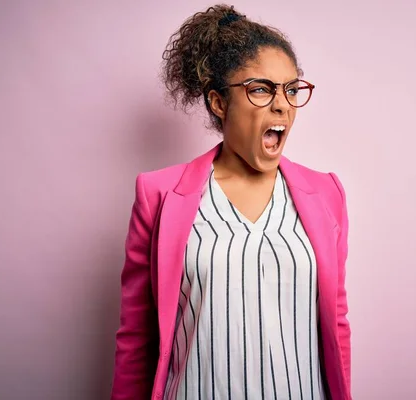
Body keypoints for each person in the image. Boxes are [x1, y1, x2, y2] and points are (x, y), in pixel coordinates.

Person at [111, 4, 351, 400]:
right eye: (261, 89)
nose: (282, 104)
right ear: (218, 103)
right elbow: (137, 337)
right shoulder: (159, 196)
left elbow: (336, 325)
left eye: (291, 89)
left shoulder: (327, 194)